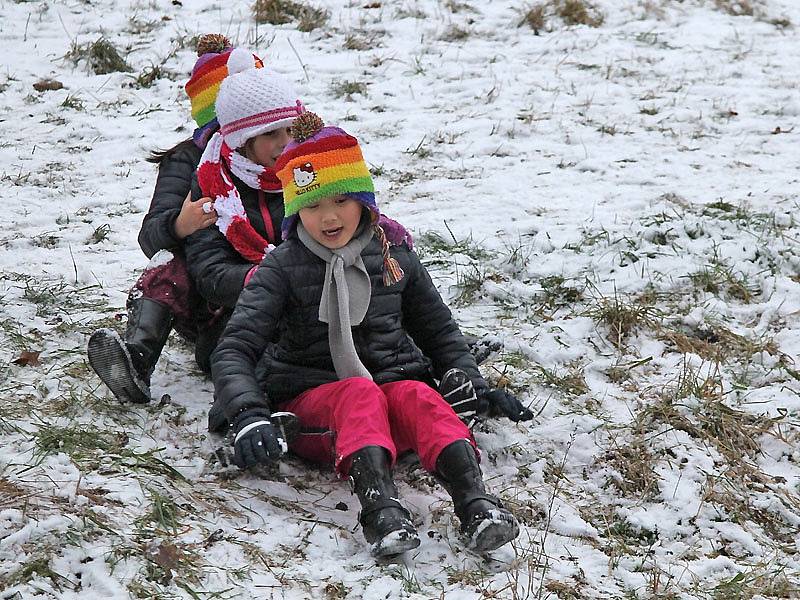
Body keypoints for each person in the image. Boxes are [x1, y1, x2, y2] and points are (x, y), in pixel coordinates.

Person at [210, 111, 533, 558]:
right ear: (294, 210)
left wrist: (468, 383)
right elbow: (235, 348)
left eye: (340, 200)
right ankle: (380, 510)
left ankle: (476, 504)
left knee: (419, 395)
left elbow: (440, 334)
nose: (328, 217)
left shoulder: (393, 255)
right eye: (312, 205)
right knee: (360, 396)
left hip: (392, 401)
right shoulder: (282, 268)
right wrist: (247, 412)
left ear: (364, 201)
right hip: (319, 408)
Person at [87, 34, 259, 403]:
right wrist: (180, 224)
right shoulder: (186, 162)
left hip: (256, 292)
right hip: (199, 292)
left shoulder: (276, 163)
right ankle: (138, 357)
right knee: (168, 265)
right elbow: (150, 236)